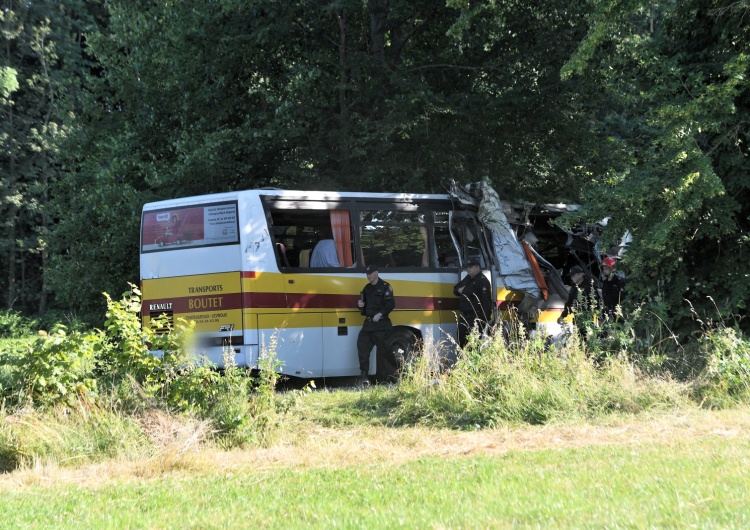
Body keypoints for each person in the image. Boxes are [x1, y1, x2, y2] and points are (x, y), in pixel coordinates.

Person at [357, 264, 398, 385]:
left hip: (381, 325)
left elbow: (390, 304)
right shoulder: (367, 288)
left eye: (370, 273)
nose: (368, 276)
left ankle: (396, 373)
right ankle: (364, 377)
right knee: (362, 348)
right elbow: (363, 306)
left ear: (376, 273)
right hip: (369, 325)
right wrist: (360, 305)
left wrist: (380, 314)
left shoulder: (386, 287)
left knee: (385, 352)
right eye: (367, 274)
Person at [453, 258, 493, 348]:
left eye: (470, 267)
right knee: (461, 341)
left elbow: (486, 302)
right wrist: (460, 290)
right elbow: (455, 289)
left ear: (477, 267)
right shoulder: (468, 278)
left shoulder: (482, 281)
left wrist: (484, 319)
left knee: (473, 344)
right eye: (467, 267)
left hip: (475, 317)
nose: (468, 269)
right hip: (465, 316)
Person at [557, 265, 596, 336]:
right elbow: (569, 303)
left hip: (587, 320)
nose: (571, 278)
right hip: (576, 319)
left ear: (580, 275)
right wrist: (563, 315)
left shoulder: (589, 286)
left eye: (573, 275)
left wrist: (600, 318)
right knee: (579, 341)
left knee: (587, 339)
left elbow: (596, 302)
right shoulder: (574, 287)